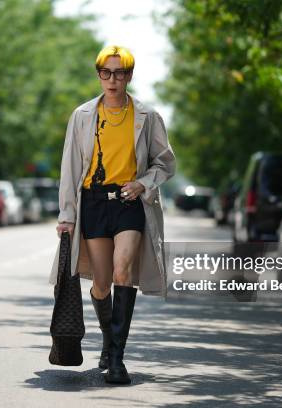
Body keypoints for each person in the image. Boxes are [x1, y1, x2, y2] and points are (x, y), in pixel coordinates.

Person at [49, 45, 176, 385]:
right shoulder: (83, 116)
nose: (113, 79)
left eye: (120, 73)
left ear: (129, 76)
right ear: (99, 75)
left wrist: (142, 183)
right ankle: (108, 339)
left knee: (123, 272)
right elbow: (70, 167)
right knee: (101, 284)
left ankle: (117, 357)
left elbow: (166, 162)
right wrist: (67, 214)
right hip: (93, 203)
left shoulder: (147, 116)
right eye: (106, 72)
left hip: (129, 203)